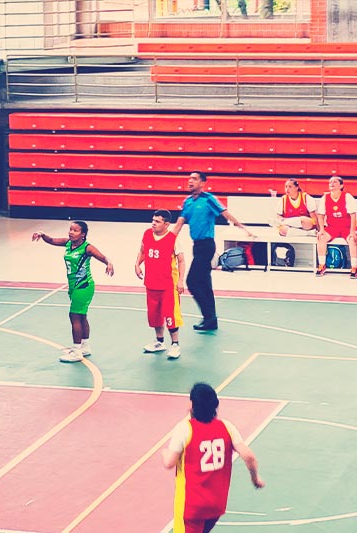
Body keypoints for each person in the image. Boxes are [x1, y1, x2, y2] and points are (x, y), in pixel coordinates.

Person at [163, 382, 265, 533]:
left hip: (191, 507)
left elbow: (169, 463)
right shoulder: (227, 427)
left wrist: (164, 453)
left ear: (193, 405)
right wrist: (255, 478)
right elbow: (249, 457)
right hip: (216, 505)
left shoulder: (185, 428)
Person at [173, 171, 254, 332]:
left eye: (194, 179)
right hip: (196, 246)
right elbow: (180, 223)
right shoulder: (187, 202)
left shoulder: (209, 199)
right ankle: (211, 320)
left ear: (203, 183)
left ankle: (208, 316)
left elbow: (225, 214)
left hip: (207, 246)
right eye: (189, 178)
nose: (190, 181)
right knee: (204, 284)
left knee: (192, 282)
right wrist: (166, 241)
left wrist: (243, 228)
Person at [32, 221, 114, 362]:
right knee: (82, 317)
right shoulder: (69, 243)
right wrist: (42, 234)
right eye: (70, 229)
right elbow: (52, 240)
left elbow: (102, 256)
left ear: (83, 234)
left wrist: (109, 263)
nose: (71, 232)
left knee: (74, 316)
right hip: (74, 286)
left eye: (75, 230)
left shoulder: (87, 248)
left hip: (83, 286)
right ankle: (85, 346)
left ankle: (76, 352)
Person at [135, 209, 185, 360]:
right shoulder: (147, 234)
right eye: (153, 220)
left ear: (166, 224)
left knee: (171, 315)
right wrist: (137, 264)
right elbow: (142, 251)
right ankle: (159, 342)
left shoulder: (173, 239)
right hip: (151, 283)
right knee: (154, 315)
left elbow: (181, 261)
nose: (153, 223)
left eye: (157, 221)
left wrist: (181, 281)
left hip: (168, 285)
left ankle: (175, 344)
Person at [315, 176, 357, 278]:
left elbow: (353, 215)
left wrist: (352, 231)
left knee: (353, 240)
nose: (332, 184)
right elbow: (320, 215)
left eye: (335, 182)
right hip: (332, 227)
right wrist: (321, 230)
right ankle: (322, 265)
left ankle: (354, 267)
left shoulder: (347, 197)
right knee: (321, 237)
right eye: (330, 182)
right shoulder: (325, 197)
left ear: (341, 185)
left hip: (346, 227)